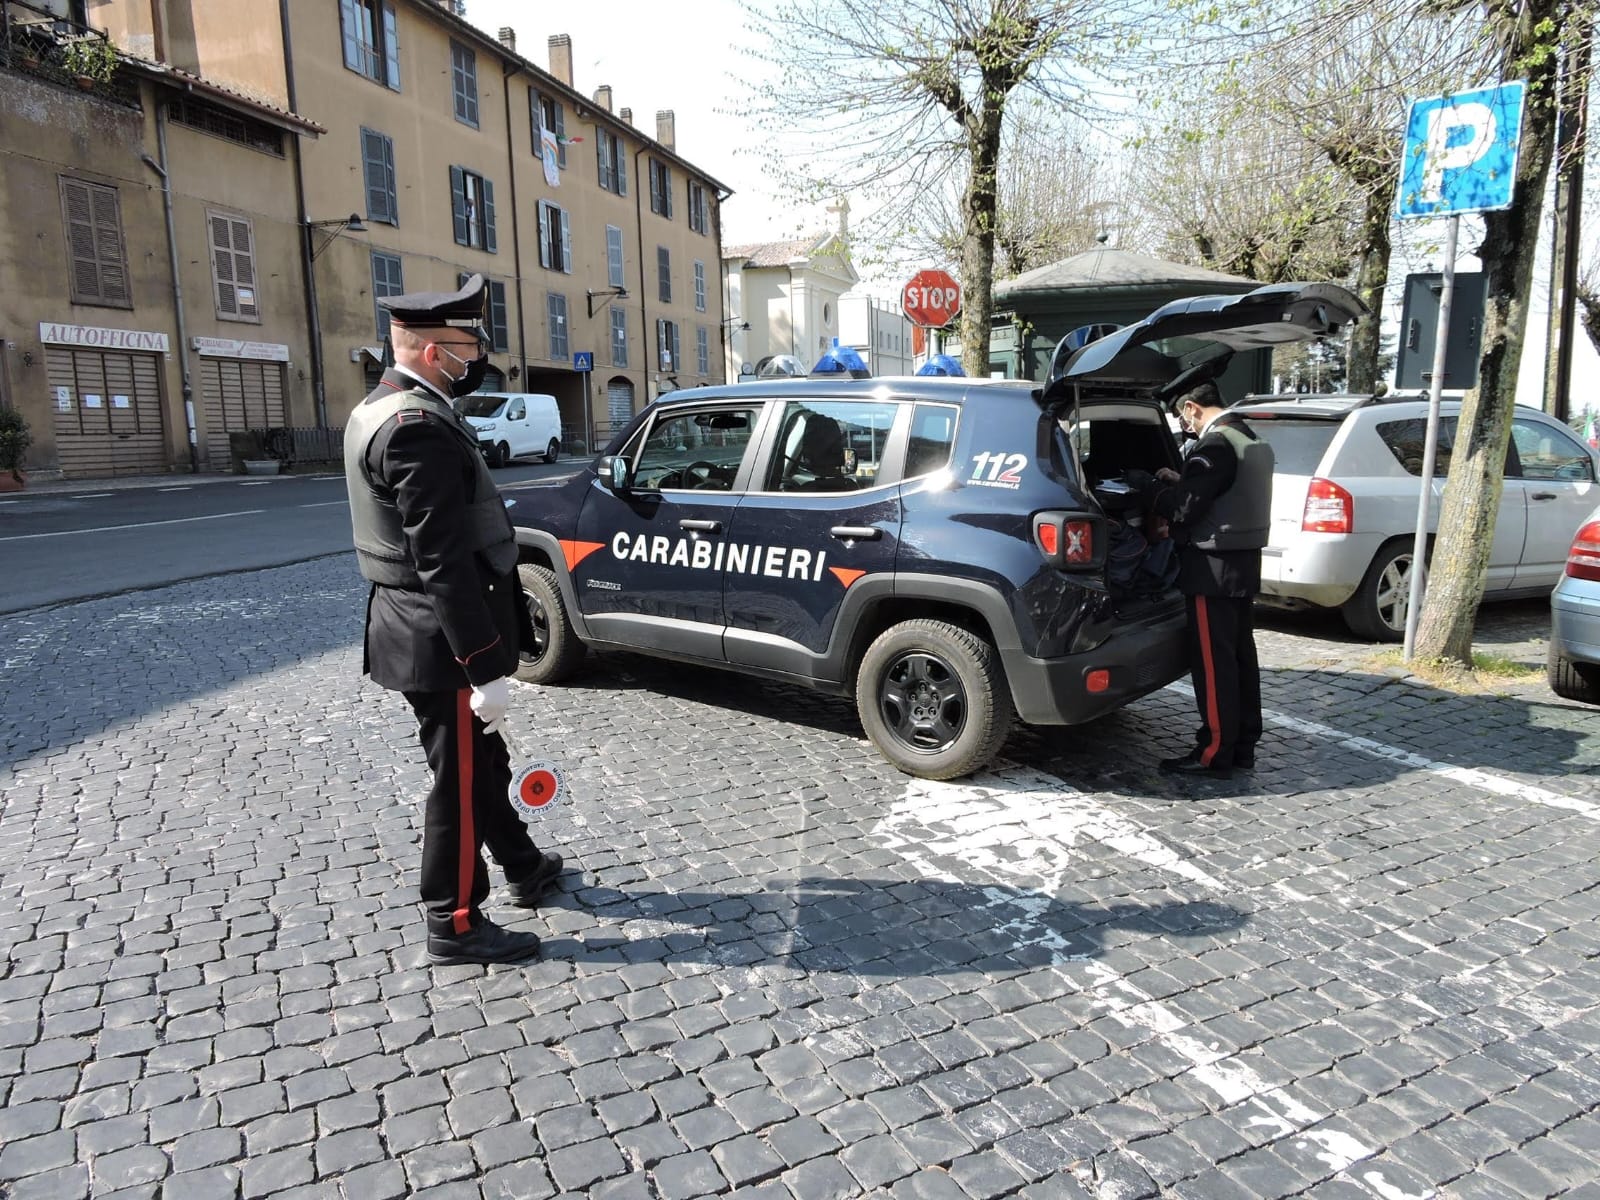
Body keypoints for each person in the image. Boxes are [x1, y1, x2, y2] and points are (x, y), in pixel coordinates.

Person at [343, 274, 562, 965]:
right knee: (461, 780)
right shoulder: (415, 429)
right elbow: (441, 561)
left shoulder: (391, 406)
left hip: (418, 628)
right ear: (437, 352)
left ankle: (523, 865)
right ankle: (455, 920)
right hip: (439, 641)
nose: (480, 357)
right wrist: (484, 668)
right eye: (471, 345)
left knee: (482, 762)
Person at [1132, 380, 1273, 778]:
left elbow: (1183, 510)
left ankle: (1213, 752)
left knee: (1213, 665)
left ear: (1193, 408)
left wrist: (1149, 488)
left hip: (1210, 568)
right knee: (1241, 658)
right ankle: (1242, 744)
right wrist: (1182, 481)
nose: (1184, 424)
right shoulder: (1246, 435)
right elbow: (1224, 491)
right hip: (1242, 564)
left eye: (1183, 416)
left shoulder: (1213, 446)